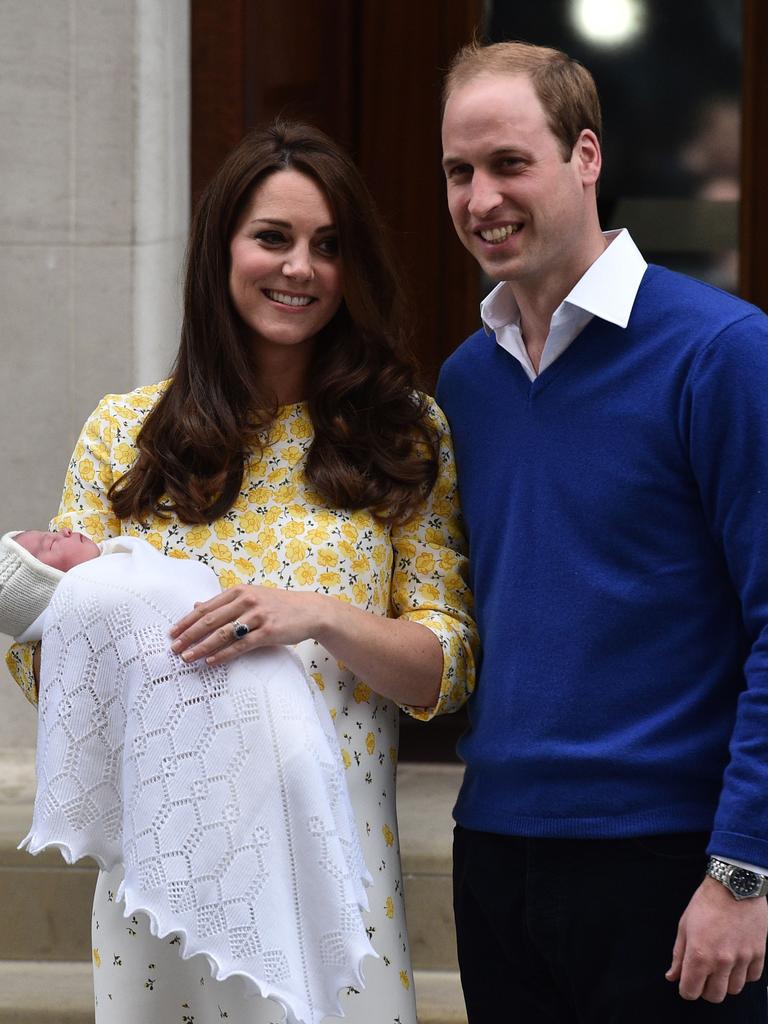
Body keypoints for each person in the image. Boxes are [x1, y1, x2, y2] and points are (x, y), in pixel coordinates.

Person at [6, 119, 477, 1024]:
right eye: (273, 237)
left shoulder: (404, 435)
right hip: (167, 872)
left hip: (336, 866)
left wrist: (321, 616)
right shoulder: (125, 433)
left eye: (328, 246)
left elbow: (447, 667)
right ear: (221, 248)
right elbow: (43, 667)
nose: (300, 267)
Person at [436, 39, 768, 1022]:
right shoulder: (466, 382)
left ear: (586, 156)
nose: (480, 197)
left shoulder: (721, 353)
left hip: (673, 866)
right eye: (459, 171)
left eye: (508, 163)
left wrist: (745, 870)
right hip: (495, 855)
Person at [0, 528, 375, 1024]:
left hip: (301, 751)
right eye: (46, 547)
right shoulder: (99, 587)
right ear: (50, 580)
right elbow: (73, 656)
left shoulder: (129, 562)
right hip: (182, 828)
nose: (61, 530)